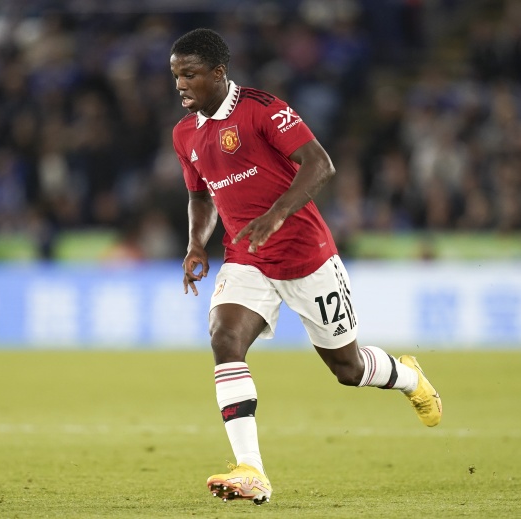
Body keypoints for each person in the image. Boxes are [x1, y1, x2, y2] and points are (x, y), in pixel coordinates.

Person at [169, 28, 442, 506]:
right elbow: (200, 194)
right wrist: (195, 244)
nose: (181, 84)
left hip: (306, 255)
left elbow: (320, 164)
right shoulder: (184, 133)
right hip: (247, 256)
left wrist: (275, 215)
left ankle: (408, 377)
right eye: (176, 75)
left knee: (347, 368)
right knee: (224, 337)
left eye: (190, 74)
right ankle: (251, 469)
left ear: (218, 72)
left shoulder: (262, 109)